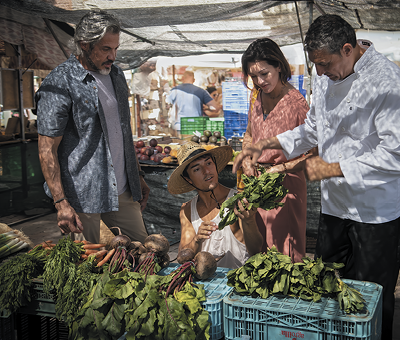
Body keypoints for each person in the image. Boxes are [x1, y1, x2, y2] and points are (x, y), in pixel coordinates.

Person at [233, 14, 400, 339]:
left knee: (371, 299)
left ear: (348, 49)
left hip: (375, 213)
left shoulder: (389, 84)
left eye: (324, 64)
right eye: (315, 64)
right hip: (335, 207)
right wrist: (268, 144)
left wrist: (330, 168)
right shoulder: (327, 76)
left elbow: (395, 157)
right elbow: (314, 129)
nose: (319, 73)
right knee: (329, 292)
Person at [36, 10, 149, 244]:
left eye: (116, 48)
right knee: (90, 267)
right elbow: (47, 148)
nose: (113, 56)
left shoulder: (116, 75)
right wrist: (60, 202)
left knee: (145, 254)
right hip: (82, 198)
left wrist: (137, 175)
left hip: (122, 191)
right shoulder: (59, 82)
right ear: (84, 45)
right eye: (106, 49)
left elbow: (122, 133)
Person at [240, 38, 310, 263]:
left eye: (264, 73)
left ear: (278, 66)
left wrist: (281, 168)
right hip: (258, 185)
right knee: (259, 248)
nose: (259, 81)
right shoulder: (256, 97)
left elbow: (315, 153)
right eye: (253, 76)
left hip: (285, 188)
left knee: (283, 256)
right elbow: (249, 133)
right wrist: (248, 157)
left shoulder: (297, 105)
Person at [167, 142, 263, 269]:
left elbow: (257, 250)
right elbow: (182, 257)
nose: (207, 171)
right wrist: (197, 240)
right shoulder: (187, 210)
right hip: (207, 285)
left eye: (208, 163)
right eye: (196, 169)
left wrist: (249, 220)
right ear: (188, 179)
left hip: (239, 281)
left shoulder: (238, 200)